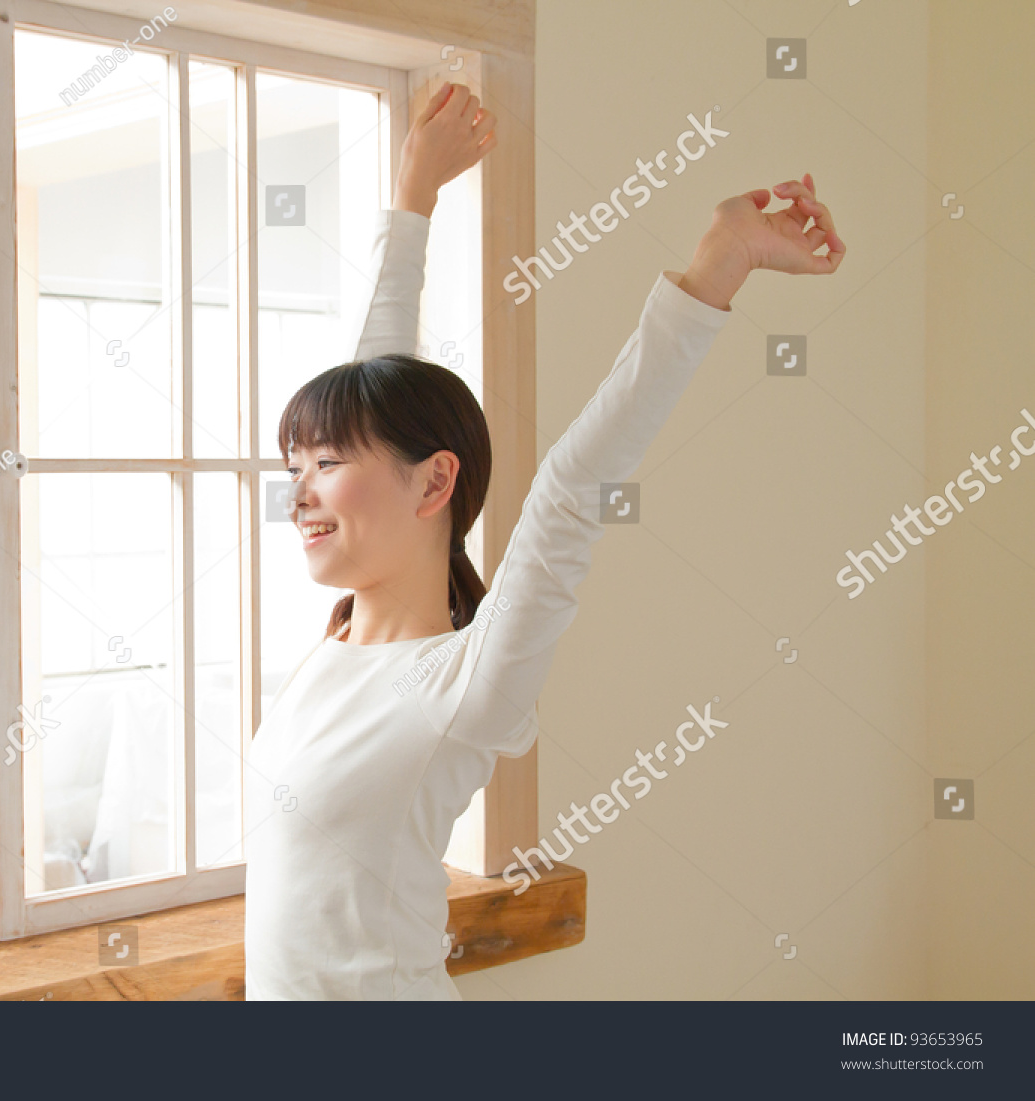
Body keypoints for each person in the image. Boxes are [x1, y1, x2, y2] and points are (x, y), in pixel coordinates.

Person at [242, 82, 847, 1000]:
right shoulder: (335, 647)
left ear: (435, 481)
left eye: (325, 465)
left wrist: (717, 264)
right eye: (297, 468)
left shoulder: (465, 684)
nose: (302, 493)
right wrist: (414, 197)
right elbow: (377, 389)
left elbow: (568, 491)